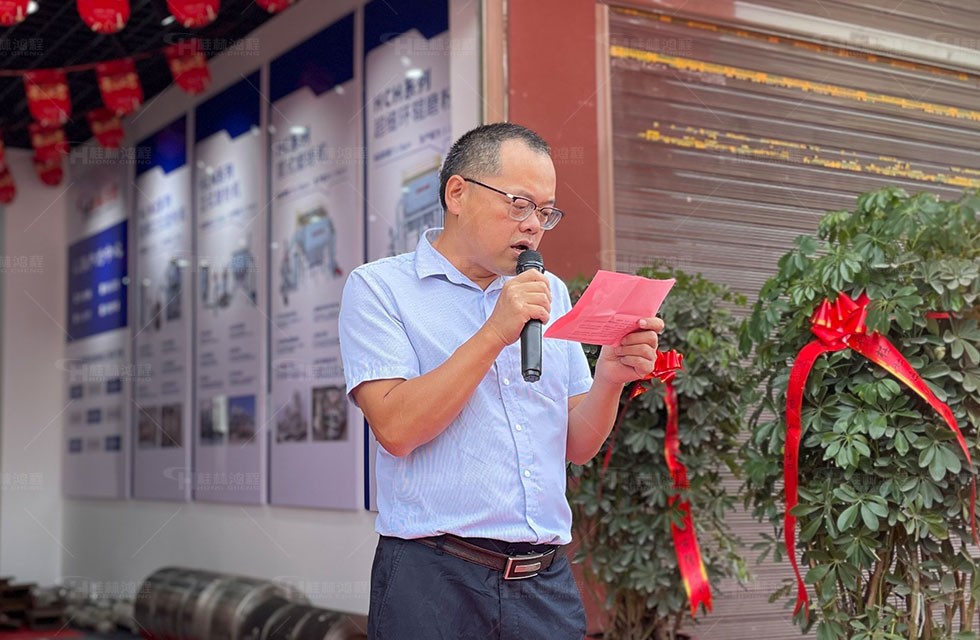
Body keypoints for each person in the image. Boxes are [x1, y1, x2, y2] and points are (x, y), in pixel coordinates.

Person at [339, 122, 664, 639]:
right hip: (434, 580)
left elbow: (576, 446)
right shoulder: (380, 289)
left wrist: (610, 379)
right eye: (519, 204)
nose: (533, 225)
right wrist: (494, 332)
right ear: (458, 193)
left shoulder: (549, 291)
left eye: (545, 211)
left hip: (544, 584)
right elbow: (396, 428)